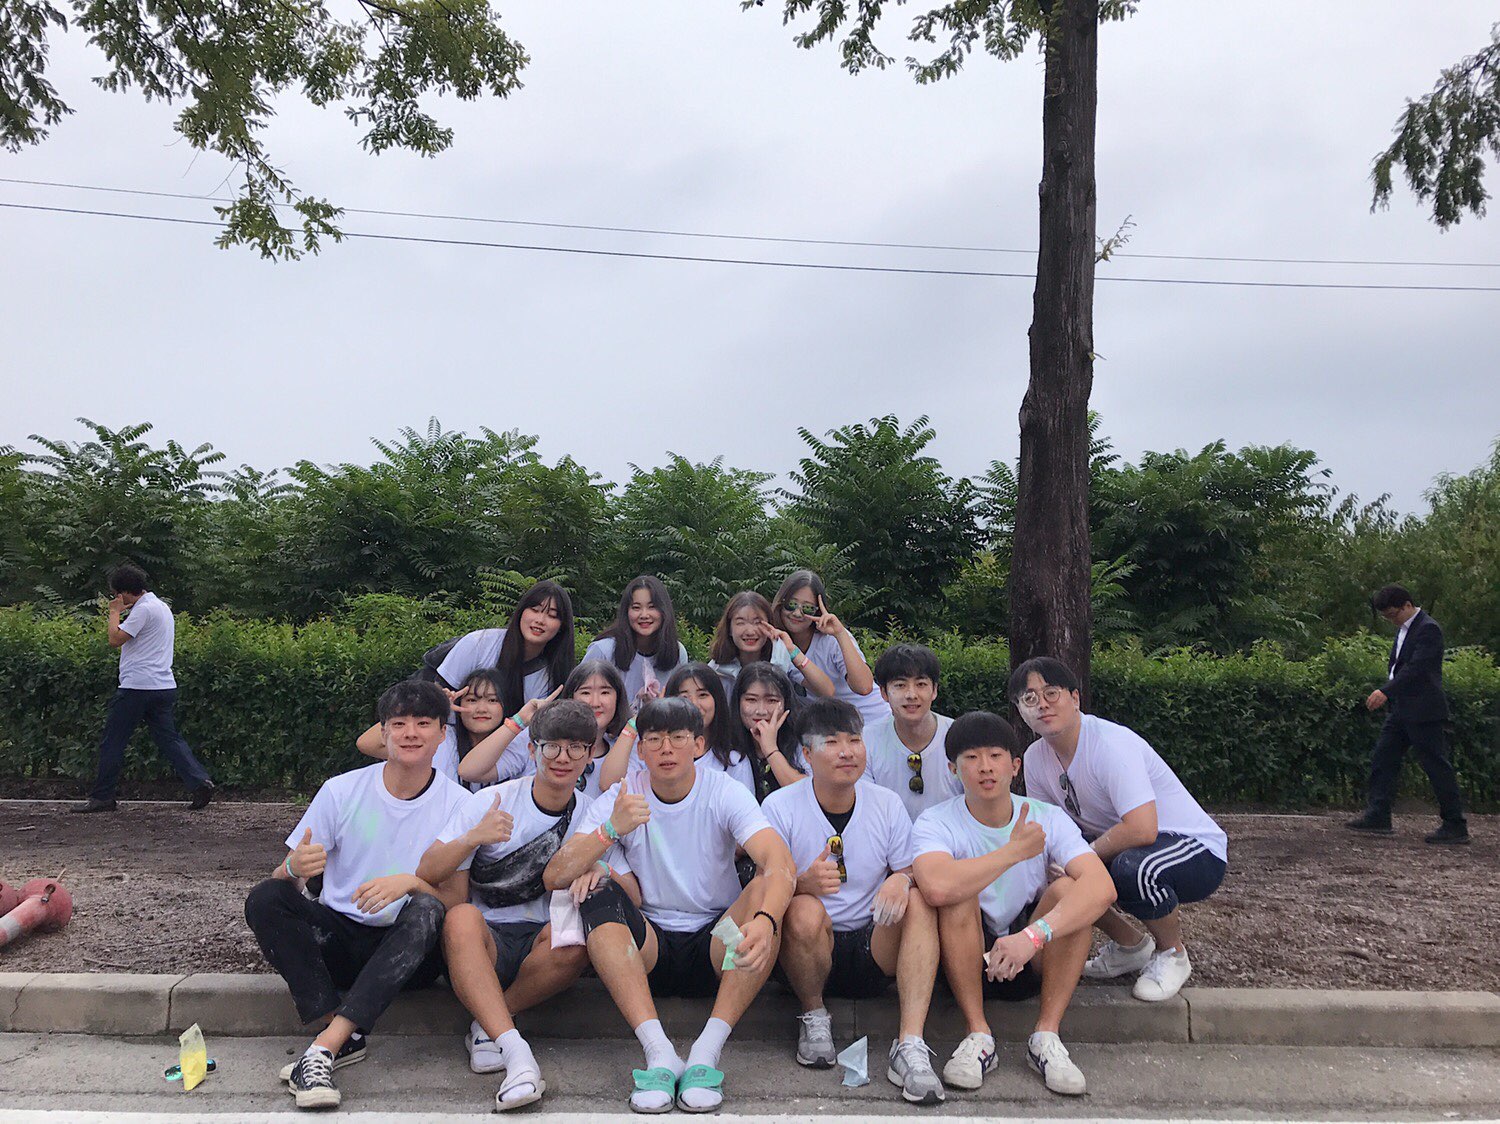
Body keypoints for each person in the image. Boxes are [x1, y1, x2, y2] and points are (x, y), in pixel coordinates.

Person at [543, 697, 796, 1113]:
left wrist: (767, 920)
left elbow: (779, 861)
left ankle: (705, 1053)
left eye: (678, 738)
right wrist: (611, 829)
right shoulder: (624, 795)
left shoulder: (724, 791)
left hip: (717, 940)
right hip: (650, 944)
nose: (665, 749)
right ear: (640, 750)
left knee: (765, 891)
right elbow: (555, 875)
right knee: (596, 892)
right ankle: (659, 1053)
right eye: (654, 739)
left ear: (698, 744)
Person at [243, 680, 471, 1110]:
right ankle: (340, 1032)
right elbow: (285, 878)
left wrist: (410, 882)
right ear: (383, 733)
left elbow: (456, 900)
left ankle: (324, 1048)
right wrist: (293, 869)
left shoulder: (459, 804)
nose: (410, 733)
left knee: (426, 907)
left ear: (443, 734)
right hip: (339, 938)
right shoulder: (341, 790)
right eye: (398, 723)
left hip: (409, 950)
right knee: (266, 897)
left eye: (423, 723)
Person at [415, 699, 612, 1111]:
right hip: (485, 940)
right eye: (551, 746)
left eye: (576, 748)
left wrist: (599, 869)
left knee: (576, 938)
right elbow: (428, 869)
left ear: (589, 755)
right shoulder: (493, 800)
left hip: (541, 942)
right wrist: (472, 838)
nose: (563, 758)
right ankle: (514, 1048)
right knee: (461, 917)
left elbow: (618, 876)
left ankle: (489, 1023)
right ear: (532, 750)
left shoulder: (590, 814)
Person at [913, 711, 1116, 1097]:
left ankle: (1046, 1037)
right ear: (953, 769)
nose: (985, 767)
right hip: (963, 958)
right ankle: (978, 1035)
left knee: (1070, 891)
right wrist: (1013, 852)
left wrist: (1031, 937)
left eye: (995, 756)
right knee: (957, 893)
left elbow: (1101, 887)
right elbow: (936, 887)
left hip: (1029, 952)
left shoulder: (1047, 817)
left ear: (1015, 766)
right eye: (971, 758)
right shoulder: (936, 820)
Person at [1010, 657, 1227, 1003]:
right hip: (1122, 843)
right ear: (1020, 710)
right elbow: (1050, 826)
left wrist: (1082, 856)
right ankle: (1131, 946)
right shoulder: (1035, 757)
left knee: (1132, 869)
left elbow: (1142, 829)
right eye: (1030, 698)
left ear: (1075, 698)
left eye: (1051, 693)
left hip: (1193, 848)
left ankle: (1172, 953)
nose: (1042, 704)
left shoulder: (1110, 744)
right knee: (1054, 872)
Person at [763, 698, 945, 1105]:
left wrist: (901, 878)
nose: (847, 752)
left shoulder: (885, 802)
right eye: (832, 742)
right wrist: (801, 883)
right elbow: (763, 883)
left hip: (872, 943)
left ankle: (910, 1044)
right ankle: (813, 1015)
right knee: (803, 908)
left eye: (854, 740)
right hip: (807, 952)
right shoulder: (780, 806)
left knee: (919, 900)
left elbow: (910, 868)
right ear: (806, 755)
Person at [74, 563, 215, 814]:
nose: (116, 599)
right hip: (163, 685)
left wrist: (114, 612)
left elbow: (115, 639)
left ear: (124, 593)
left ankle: (102, 797)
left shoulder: (143, 610)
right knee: (169, 738)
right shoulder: (161, 607)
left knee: (113, 741)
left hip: (137, 687)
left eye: (116, 594)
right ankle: (199, 781)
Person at [1347, 585, 1469, 844]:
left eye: (1393, 614)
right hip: (1401, 709)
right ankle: (1378, 815)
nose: (1391, 620)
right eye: (1386, 617)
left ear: (1407, 605)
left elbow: (1416, 670)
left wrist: (1386, 691)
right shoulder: (1405, 628)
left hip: (1423, 710)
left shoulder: (1428, 629)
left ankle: (1455, 824)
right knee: (1383, 757)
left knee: (1436, 765)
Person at [460, 659, 634, 799]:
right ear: (570, 697)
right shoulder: (538, 737)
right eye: (585, 692)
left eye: (605, 692)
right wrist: (520, 720)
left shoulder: (624, 749)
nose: (595, 702)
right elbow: (469, 771)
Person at [432, 580, 576, 719]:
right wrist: (443, 699)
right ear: (521, 611)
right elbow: (437, 695)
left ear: (561, 627)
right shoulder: (478, 643)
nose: (540, 620)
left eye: (552, 615)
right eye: (535, 610)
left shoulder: (551, 676)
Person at [772, 570, 889, 726]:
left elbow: (864, 687)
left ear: (818, 610)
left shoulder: (832, 638)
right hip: (836, 729)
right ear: (780, 604)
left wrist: (840, 633)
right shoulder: (779, 644)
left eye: (807, 608)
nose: (797, 613)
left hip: (876, 720)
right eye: (791, 605)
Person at [356, 668, 506, 785]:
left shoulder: (513, 746)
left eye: (492, 700)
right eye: (472, 700)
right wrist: (432, 704)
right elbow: (366, 744)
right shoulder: (441, 738)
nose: (481, 709)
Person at [863, 644, 960, 820]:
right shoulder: (865, 741)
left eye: (921, 684)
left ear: (934, 690)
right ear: (884, 692)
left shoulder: (960, 737)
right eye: (900, 685)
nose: (911, 694)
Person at [707, 590, 834, 697]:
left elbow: (827, 691)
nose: (750, 631)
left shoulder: (780, 658)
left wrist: (792, 650)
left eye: (758, 622)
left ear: (770, 625)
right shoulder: (717, 668)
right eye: (741, 623)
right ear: (729, 629)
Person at [585, 576, 689, 706]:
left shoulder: (678, 653)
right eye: (636, 607)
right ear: (626, 612)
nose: (644, 615)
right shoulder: (603, 651)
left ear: (664, 611)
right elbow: (580, 700)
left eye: (652, 607)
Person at [730, 661, 807, 796]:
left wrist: (770, 749)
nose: (761, 711)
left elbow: (807, 793)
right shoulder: (723, 745)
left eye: (771, 700)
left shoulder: (803, 741)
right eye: (751, 700)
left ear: (786, 703)